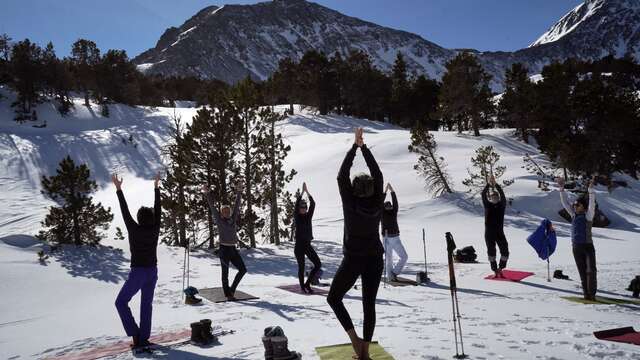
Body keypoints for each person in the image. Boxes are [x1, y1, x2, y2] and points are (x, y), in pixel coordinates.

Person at [327, 128, 384, 360]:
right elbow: (378, 174)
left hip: (353, 259)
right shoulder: (377, 199)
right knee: (368, 305)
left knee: (333, 298)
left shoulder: (350, 203)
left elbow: (341, 175)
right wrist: (364, 148)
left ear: (354, 189)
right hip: (374, 259)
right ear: (371, 188)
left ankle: (354, 341)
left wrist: (355, 147)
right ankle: (365, 352)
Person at [113, 172, 161, 350]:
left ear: (139, 219)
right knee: (146, 304)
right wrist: (156, 187)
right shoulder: (155, 229)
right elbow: (159, 208)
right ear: (153, 218)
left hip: (138, 273)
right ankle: (143, 338)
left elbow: (124, 211)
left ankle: (135, 333)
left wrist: (119, 189)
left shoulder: (134, 229)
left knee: (120, 302)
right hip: (152, 272)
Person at [202, 182, 247, 301]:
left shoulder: (233, 220)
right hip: (224, 250)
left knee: (243, 270)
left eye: (228, 211)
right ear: (221, 213)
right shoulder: (219, 220)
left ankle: (231, 290)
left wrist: (239, 192)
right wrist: (207, 193)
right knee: (225, 274)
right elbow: (212, 207)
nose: (227, 213)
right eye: (224, 211)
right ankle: (228, 294)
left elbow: (237, 205)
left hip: (233, 249)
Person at [558, 177, 597, 300]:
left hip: (588, 246)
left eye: (577, 204)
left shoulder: (588, 215)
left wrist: (590, 190)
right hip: (576, 247)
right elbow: (565, 202)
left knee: (591, 271)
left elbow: (591, 204)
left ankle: (592, 294)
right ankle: (586, 294)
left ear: (583, 207)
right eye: (574, 204)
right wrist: (561, 188)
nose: (574, 206)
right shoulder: (573, 215)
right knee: (582, 272)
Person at [293, 182, 321, 293]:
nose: (303, 209)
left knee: (318, 264)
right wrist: (301, 193)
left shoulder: (308, 216)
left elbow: (313, 204)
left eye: (305, 207)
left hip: (307, 245)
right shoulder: (297, 217)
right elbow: (295, 206)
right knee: (301, 267)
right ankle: (302, 287)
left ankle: (307, 284)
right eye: (302, 207)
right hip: (299, 247)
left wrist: (307, 192)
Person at [481, 176, 509, 277]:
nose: (494, 199)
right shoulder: (487, 205)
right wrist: (489, 184)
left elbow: (503, 195)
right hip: (489, 234)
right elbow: (483, 194)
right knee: (491, 252)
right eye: (493, 197)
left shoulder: (502, 206)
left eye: (496, 197)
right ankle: (494, 270)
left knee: (505, 251)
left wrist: (496, 184)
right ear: (490, 198)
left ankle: (500, 268)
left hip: (499, 233)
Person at [382, 183, 407, 282]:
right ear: (384, 207)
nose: (389, 207)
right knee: (389, 259)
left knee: (404, 256)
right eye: (387, 206)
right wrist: (384, 192)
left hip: (396, 238)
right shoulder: (382, 213)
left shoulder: (394, 212)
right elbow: (379, 203)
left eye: (390, 205)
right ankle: (390, 277)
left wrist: (392, 191)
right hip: (386, 238)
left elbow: (395, 203)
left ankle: (395, 273)